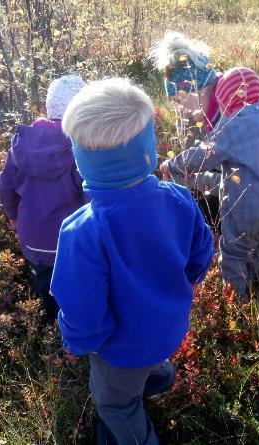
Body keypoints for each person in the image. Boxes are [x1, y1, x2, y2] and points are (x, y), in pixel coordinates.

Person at [50, 77, 214, 444]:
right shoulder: (179, 199)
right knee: (152, 358)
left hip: (120, 352)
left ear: (81, 162)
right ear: (149, 149)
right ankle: (158, 379)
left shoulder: (82, 232)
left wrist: (79, 343)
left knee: (116, 406)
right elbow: (201, 254)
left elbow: (83, 310)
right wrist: (183, 284)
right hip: (170, 324)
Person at [160, 67, 259, 297]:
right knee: (258, 249)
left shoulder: (230, 125)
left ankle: (236, 302)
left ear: (225, 101)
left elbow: (203, 155)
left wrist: (173, 165)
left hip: (245, 214)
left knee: (233, 255)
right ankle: (253, 280)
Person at [149, 31, 259, 233]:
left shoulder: (243, 117)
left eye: (178, 99)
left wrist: (188, 179)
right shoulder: (218, 98)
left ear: (200, 89)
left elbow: (245, 184)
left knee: (187, 208)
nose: (177, 107)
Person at [0, 74, 87, 321]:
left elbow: (4, 186)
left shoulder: (21, 143)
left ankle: (50, 328)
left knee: (45, 286)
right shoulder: (79, 146)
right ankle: (74, 333)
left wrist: (14, 217)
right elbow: (89, 193)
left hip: (32, 239)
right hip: (70, 241)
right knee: (74, 289)